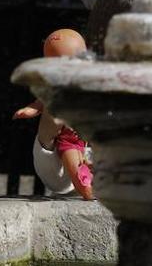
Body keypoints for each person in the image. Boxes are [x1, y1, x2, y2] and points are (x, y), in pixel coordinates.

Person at [15, 28, 94, 200]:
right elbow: (41, 102)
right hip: (66, 140)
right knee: (73, 157)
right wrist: (30, 110)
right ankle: (85, 186)